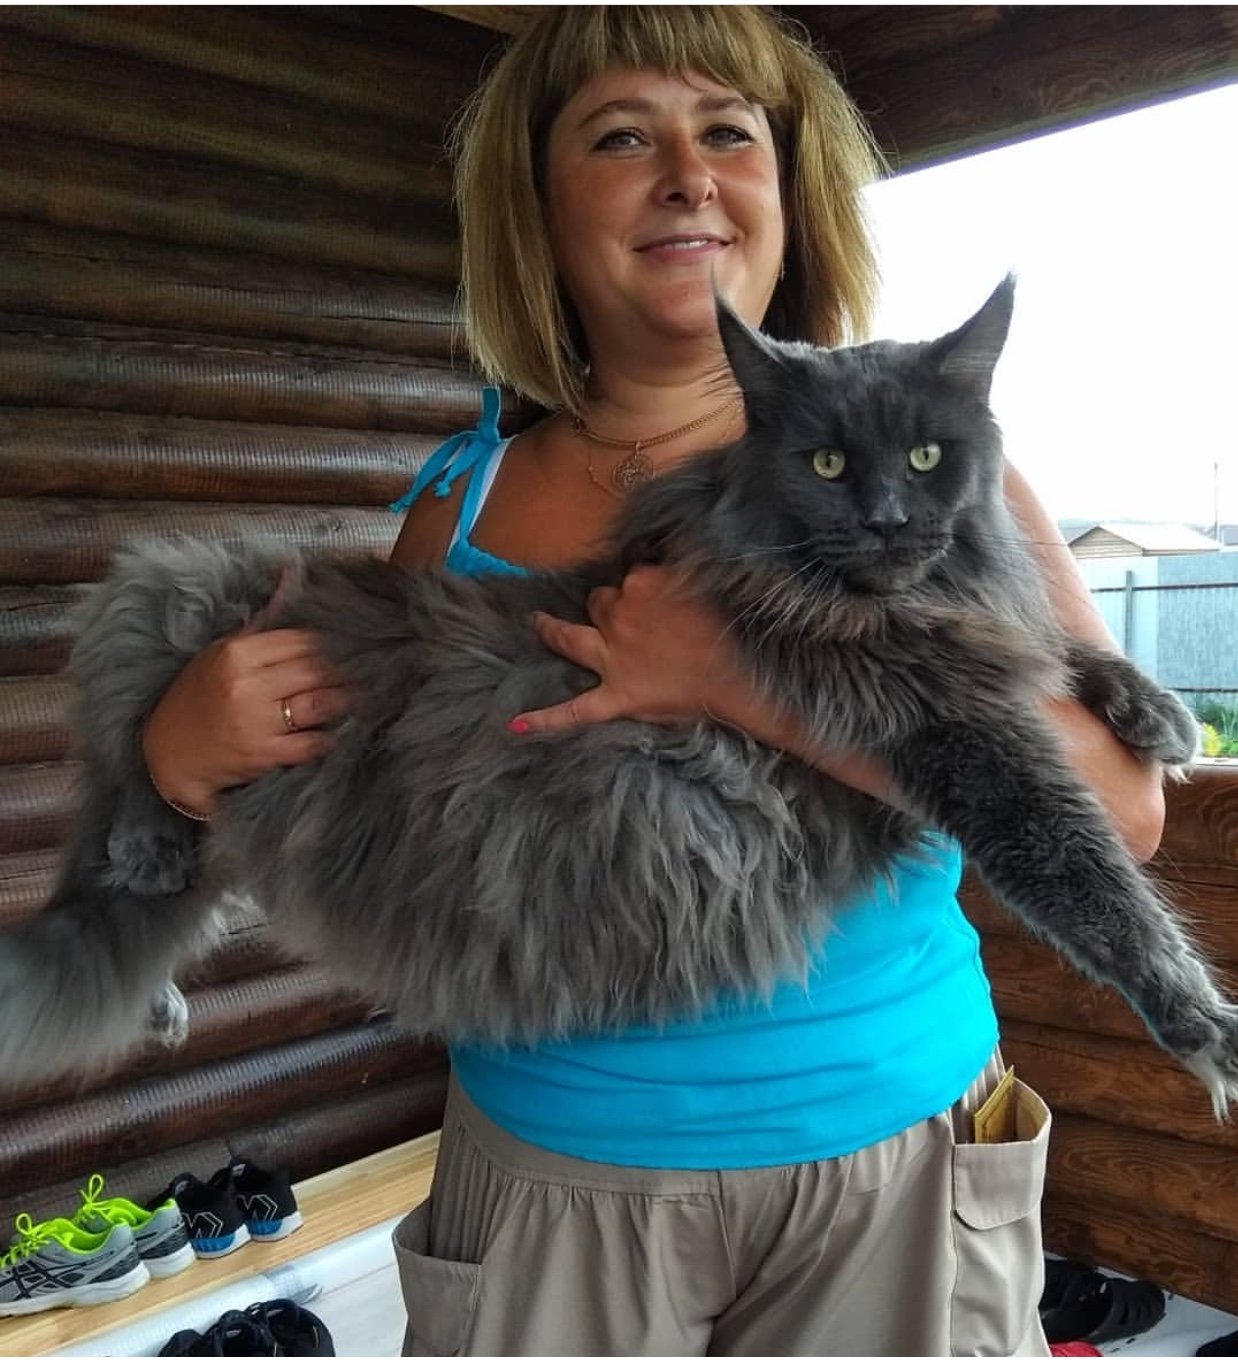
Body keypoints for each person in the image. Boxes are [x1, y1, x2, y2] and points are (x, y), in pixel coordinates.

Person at [141, 8, 1167, 1355]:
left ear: (786, 194)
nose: (688, 173)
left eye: (727, 131)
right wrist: (181, 752)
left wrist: (741, 682)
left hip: (892, 1158)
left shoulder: (928, 462)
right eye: (623, 135)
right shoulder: (464, 499)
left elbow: (1121, 812)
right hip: (553, 1176)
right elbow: (360, 822)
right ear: (538, 209)